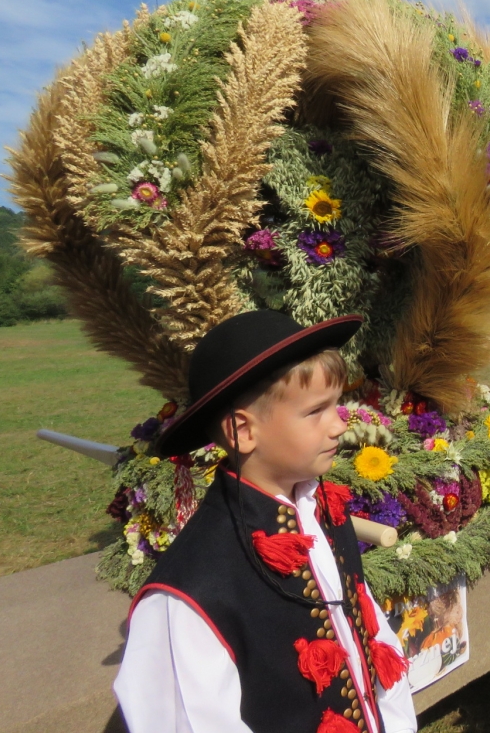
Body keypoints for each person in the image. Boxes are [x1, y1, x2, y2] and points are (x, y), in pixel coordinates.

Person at [114, 311, 418, 733]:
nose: (339, 424)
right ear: (242, 431)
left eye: (336, 404)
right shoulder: (191, 592)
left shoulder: (323, 511)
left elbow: (366, 634)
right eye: (316, 411)